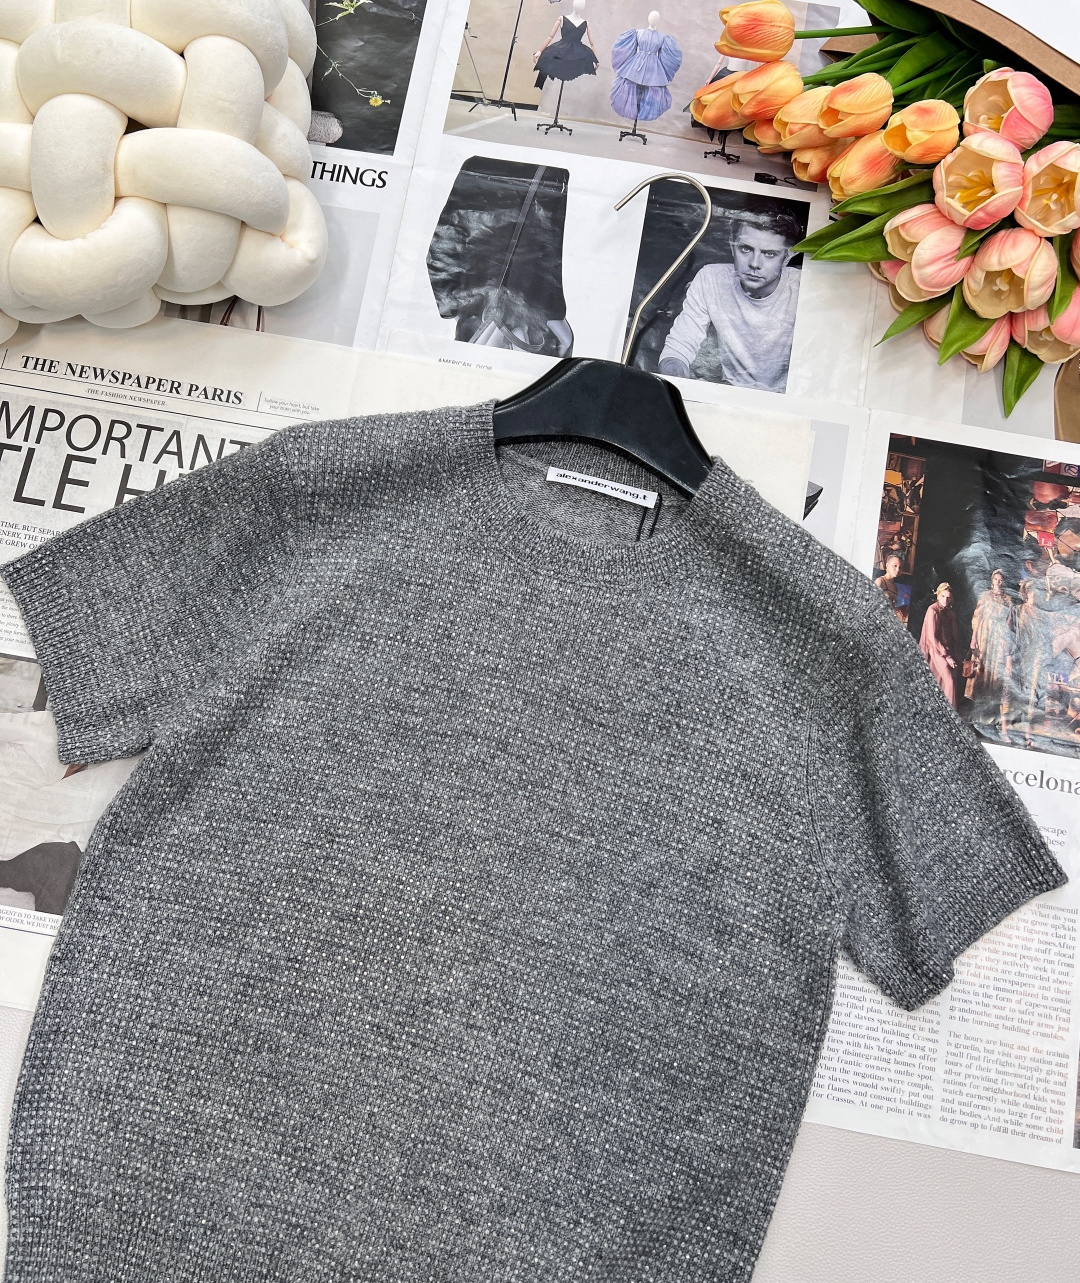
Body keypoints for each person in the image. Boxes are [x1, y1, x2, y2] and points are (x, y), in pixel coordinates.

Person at [657, 211, 802, 393]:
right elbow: (679, 347)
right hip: (728, 393)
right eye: (745, 249)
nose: (754, 263)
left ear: (788, 256)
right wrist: (676, 383)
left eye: (769, 254)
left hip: (786, 400)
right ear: (732, 245)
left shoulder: (802, 287)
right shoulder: (711, 278)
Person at [966, 569, 1014, 731]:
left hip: (999, 636)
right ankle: (977, 712)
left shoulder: (1008, 600)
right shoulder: (985, 596)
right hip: (985, 634)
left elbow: (1009, 623)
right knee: (981, 668)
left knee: (995, 671)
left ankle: (991, 714)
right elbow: (977, 617)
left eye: (1001, 580)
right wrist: (974, 638)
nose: (998, 582)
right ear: (992, 580)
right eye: (996, 579)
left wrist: (1005, 641)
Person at [919, 581, 964, 708]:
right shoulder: (932, 611)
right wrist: (947, 656)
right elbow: (932, 638)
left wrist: (955, 654)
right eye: (943, 596)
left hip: (947, 649)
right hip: (935, 650)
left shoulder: (950, 613)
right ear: (938, 595)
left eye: (948, 597)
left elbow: (954, 636)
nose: (945, 600)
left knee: (941, 680)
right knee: (949, 681)